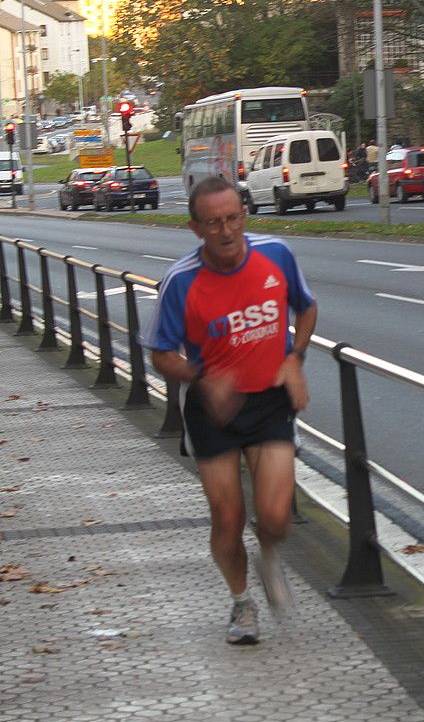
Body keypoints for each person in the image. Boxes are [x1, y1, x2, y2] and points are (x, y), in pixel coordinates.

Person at [141, 176, 318, 646]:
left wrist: (294, 359)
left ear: (244, 215)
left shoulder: (276, 254)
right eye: (214, 223)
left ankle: (270, 550)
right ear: (195, 228)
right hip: (212, 408)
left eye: (233, 218)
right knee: (227, 517)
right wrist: (201, 377)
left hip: (269, 399)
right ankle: (242, 605)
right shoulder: (181, 281)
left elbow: (307, 308)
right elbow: (159, 353)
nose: (226, 231)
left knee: (276, 516)